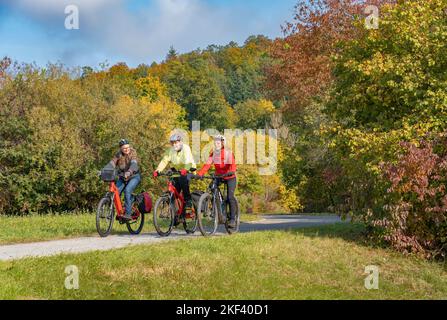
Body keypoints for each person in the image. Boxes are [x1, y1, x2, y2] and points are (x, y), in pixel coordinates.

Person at [197, 135, 238, 228]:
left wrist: (230, 171)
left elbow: (232, 165)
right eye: (215, 142)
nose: (217, 144)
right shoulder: (213, 154)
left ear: (223, 143)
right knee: (212, 188)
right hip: (219, 176)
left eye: (219, 142)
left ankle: (232, 219)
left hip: (230, 177)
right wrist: (199, 174)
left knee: (230, 196)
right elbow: (207, 165)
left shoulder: (228, 153)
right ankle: (218, 212)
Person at [153, 134, 196, 211]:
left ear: (180, 142)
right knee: (174, 190)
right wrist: (158, 170)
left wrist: (185, 169)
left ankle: (188, 200)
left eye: (175, 142)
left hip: (189, 170)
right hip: (177, 172)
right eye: (172, 143)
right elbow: (164, 161)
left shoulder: (186, 148)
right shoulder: (170, 150)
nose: (174, 144)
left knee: (183, 179)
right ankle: (175, 214)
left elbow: (188, 161)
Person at [109, 139, 141, 220]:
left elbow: (134, 164)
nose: (127, 149)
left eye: (128, 147)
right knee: (115, 192)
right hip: (123, 177)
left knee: (127, 190)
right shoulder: (118, 154)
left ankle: (128, 213)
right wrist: (104, 170)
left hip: (134, 176)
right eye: (124, 148)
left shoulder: (133, 153)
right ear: (121, 149)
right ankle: (119, 211)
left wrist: (129, 172)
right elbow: (112, 163)